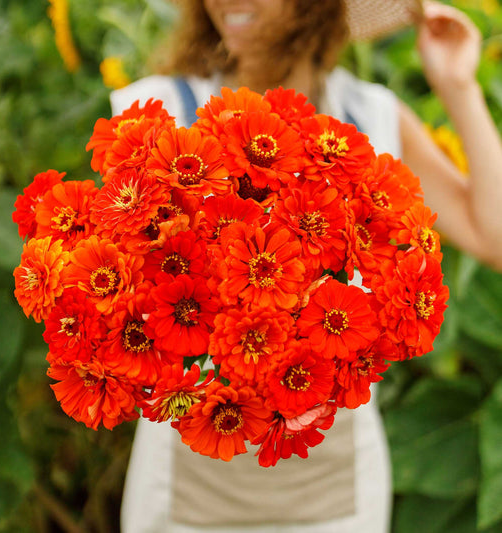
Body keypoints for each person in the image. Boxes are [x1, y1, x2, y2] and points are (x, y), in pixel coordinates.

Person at [110, 1, 502, 531]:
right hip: (185, 496)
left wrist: (457, 85)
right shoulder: (152, 117)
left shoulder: (370, 117)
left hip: (337, 497)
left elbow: (493, 236)